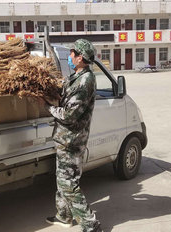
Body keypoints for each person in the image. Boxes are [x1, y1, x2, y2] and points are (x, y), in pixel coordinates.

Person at [44, 39, 102, 232]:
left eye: (72, 53)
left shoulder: (86, 81)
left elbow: (69, 115)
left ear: (80, 58)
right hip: (64, 138)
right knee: (61, 180)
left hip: (72, 139)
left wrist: (49, 108)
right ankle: (64, 215)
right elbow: (63, 94)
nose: (69, 56)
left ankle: (90, 223)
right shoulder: (75, 77)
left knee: (68, 183)